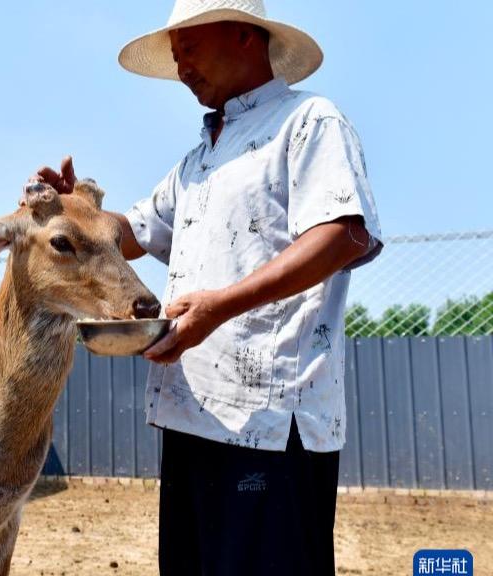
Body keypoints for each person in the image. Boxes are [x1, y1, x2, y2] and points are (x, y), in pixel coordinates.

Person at [32, 1, 382, 574]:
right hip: (192, 415)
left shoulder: (309, 122)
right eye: (174, 52)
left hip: (271, 425)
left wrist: (220, 308)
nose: (179, 62)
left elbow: (343, 235)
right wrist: (73, 216)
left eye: (188, 44)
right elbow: (132, 233)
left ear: (246, 35)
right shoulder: (200, 158)